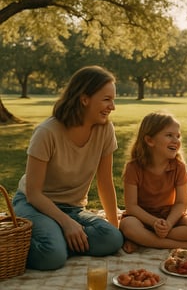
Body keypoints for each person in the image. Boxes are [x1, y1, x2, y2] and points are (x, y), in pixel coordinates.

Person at [12, 66, 123, 270]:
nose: (112, 106)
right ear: (84, 99)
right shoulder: (46, 132)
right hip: (34, 205)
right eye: (107, 99)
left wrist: (114, 228)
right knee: (52, 257)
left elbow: (105, 182)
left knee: (113, 240)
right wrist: (66, 223)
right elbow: (33, 193)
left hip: (73, 208)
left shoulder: (105, 129)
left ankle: (58, 241)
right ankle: (35, 246)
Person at [119, 111, 187, 253]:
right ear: (150, 140)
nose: (176, 140)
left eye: (178, 136)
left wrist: (168, 224)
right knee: (127, 225)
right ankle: (179, 244)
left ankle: (145, 240)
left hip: (169, 217)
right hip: (142, 218)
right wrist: (154, 223)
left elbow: (181, 203)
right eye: (169, 135)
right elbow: (132, 207)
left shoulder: (179, 166)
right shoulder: (133, 167)